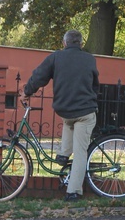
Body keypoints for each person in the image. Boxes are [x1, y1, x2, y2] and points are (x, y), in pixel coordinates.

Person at [20, 29, 99, 202]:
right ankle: (70, 180)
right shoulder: (89, 59)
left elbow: (39, 76)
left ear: (64, 43)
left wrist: (27, 91)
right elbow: (95, 85)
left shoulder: (56, 57)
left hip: (65, 109)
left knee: (70, 125)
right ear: (81, 43)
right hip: (85, 111)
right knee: (79, 150)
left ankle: (67, 169)